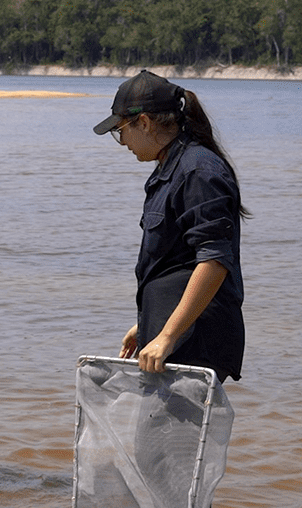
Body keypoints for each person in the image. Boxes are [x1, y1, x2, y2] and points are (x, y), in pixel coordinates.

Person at [93, 70, 246, 383]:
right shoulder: (171, 169)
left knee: (171, 434)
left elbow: (214, 262)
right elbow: (174, 263)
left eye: (121, 130)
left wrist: (167, 334)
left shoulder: (198, 171)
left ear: (145, 122)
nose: (122, 142)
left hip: (193, 344)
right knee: (157, 433)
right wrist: (148, 323)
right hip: (174, 337)